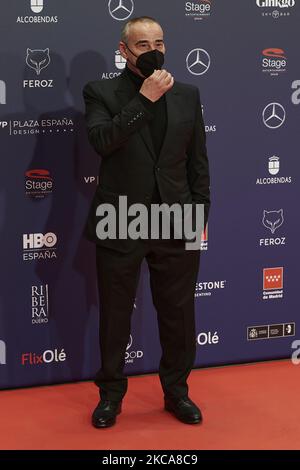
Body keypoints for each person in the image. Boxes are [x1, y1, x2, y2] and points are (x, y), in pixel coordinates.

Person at [82, 16, 210, 428]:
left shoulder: (188, 95)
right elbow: (103, 142)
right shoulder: (100, 92)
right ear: (124, 51)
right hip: (119, 217)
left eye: (158, 41)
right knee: (116, 315)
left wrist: (199, 214)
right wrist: (145, 99)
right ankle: (110, 396)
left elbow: (198, 165)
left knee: (178, 314)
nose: (152, 49)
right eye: (142, 44)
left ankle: (177, 393)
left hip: (177, 218)